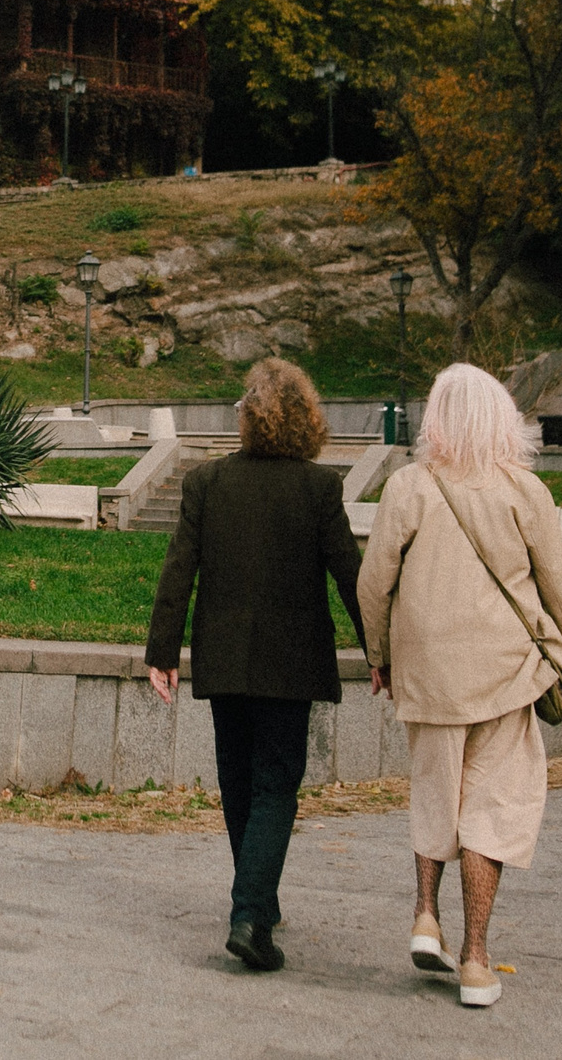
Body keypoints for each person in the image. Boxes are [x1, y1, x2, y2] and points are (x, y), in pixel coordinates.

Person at [358, 363, 562, 1010]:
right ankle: (474, 959)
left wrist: (378, 654)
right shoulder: (525, 491)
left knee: (435, 789)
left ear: (435, 418)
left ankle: (424, 915)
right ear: (503, 420)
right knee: (491, 809)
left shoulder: (408, 486)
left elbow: (372, 580)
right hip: (505, 673)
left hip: (428, 672)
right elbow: (561, 586)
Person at [145, 357, 364, 973]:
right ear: (305, 420)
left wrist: (163, 652)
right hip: (290, 666)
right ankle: (249, 913)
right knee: (275, 786)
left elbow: (177, 573)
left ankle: (254, 905)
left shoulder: (208, 482)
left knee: (239, 784)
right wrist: (384, 653)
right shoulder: (318, 488)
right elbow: (353, 577)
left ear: (251, 419)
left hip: (224, 662)